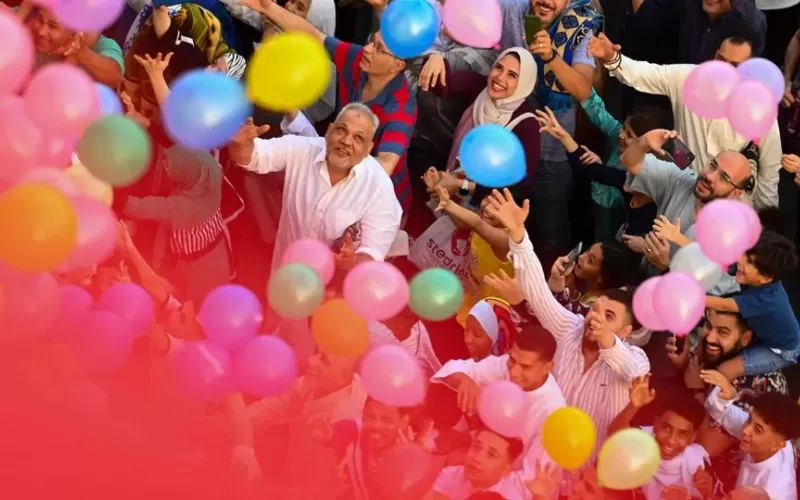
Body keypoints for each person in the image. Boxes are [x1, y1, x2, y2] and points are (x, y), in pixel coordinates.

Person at [485, 188, 650, 453]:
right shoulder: (570, 326)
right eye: (595, 309)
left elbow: (633, 373)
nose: (595, 317)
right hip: (536, 455)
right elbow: (538, 293)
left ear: (626, 331)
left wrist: (606, 340)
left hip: (587, 471)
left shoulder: (636, 358)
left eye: (608, 316)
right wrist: (518, 234)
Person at [239, 0, 417, 214]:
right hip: (332, 180)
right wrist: (268, 7)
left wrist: (333, 160)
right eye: (372, 40)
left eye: (379, 49)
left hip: (376, 203)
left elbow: (386, 164)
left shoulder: (401, 106)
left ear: (397, 66)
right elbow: (314, 36)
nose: (367, 49)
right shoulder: (357, 59)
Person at [590, 35, 780, 210]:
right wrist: (611, 57)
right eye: (721, 60)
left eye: (735, 66)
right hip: (681, 193)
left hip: (729, 210)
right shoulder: (688, 77)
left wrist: (766, 223)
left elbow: (769, 176)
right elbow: (644, 74)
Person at [227, 103, 402, 272]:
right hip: (287, 271)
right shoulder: (302, 149)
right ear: (329, 131)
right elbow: (252, 157)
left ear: (368, 149)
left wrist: (353, 261)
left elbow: (373, 252)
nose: (346, 141)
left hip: (336, 285)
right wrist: (240, 144)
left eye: (358, 138)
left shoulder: (379, 187)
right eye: (341, 130)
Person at [498, 0, 602, 271]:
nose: (546, 1)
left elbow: (583, 89)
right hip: (506, 148)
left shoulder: (580, 26)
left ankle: (549, 291)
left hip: (551, 154)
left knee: (550, 237)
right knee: (498, 224)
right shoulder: (513, 10)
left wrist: (551, 56)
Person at [431, 325, 565, 479]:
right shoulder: (506, 366)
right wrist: (464, 380)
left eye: (525, 367)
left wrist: (472, 465)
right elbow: (452, 369)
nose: (514, 373)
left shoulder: (553, 415)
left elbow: (531, 482)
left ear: (548, 367)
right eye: (512, 360)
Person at [617, 128, 753, 276]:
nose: (710, 177)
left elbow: (713, 287)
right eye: (713, 165)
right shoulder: (682, 179)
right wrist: (644, 142)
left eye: (724, 178)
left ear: (735, 193)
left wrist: (665, 266)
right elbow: (629, 162)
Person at [420, 47, 540, 208]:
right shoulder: (481, 88)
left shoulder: (527, 124)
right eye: (499, 67)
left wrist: (460, 185)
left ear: (524, 83)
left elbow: (518, 189)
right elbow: (437, 83)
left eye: (512, 75)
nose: (500, 77)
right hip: (457, 189)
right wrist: (435, 58)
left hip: (487, 210)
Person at [113, 147, 231, 304]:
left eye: (168, 166)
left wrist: (106, 189)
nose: (165, 167)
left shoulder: (183, 208)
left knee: (188, 305)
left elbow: (138, 207)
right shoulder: (208, 173)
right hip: (216, 255)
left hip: (195, 271)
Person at [705, 231, 800, 380]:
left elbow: (724, 305)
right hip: (768, 332)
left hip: (780, 351)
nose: (740, 260)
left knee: (724, 370)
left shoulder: (766, 300)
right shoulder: (751, 274)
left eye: (749, 262)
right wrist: (679, 239)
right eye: (743, 253)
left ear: (765, 278)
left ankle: (716, 395)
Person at [607, 375, 710, 499]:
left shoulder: (698, 463)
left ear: (692, 438)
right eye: (666, 428)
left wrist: (707, 494)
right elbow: (615, 437)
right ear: (655, 424)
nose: (671, 440)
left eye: (682, 434)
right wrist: (634, 406)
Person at [702, 371, 800, 499]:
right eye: (749, 419)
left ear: (777, 445)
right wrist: (730, 394)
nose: (745, 430)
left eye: (757, 430)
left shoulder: (772, 492)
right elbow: (719, 410)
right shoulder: (772, 437)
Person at [425, 426, 556, 499]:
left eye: (491, 455)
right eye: (476, 447)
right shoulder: (451, 474)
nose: (477, 458)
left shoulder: (510, 497)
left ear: (505, 470)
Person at [19, 3, 124, 87]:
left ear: (76, 31)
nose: (41, 31)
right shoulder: (29, 22)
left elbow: (115, 77)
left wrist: (81, 53)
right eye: (40, 19)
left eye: (53, 26)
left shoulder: (102, 45)